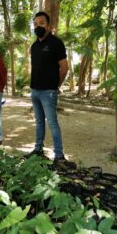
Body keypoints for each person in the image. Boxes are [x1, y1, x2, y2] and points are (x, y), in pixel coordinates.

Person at [26, 11, 69, 163]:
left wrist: (56, 85)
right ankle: (38, 149)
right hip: (34, 90)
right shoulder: (34, 46)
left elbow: (64, 68)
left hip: (48, 92)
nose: (38, 26)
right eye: (35, 24)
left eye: (42, 23)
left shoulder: (56, 43)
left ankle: (59, 155)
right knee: (39, 122)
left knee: (52, 123)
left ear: (49, 25)